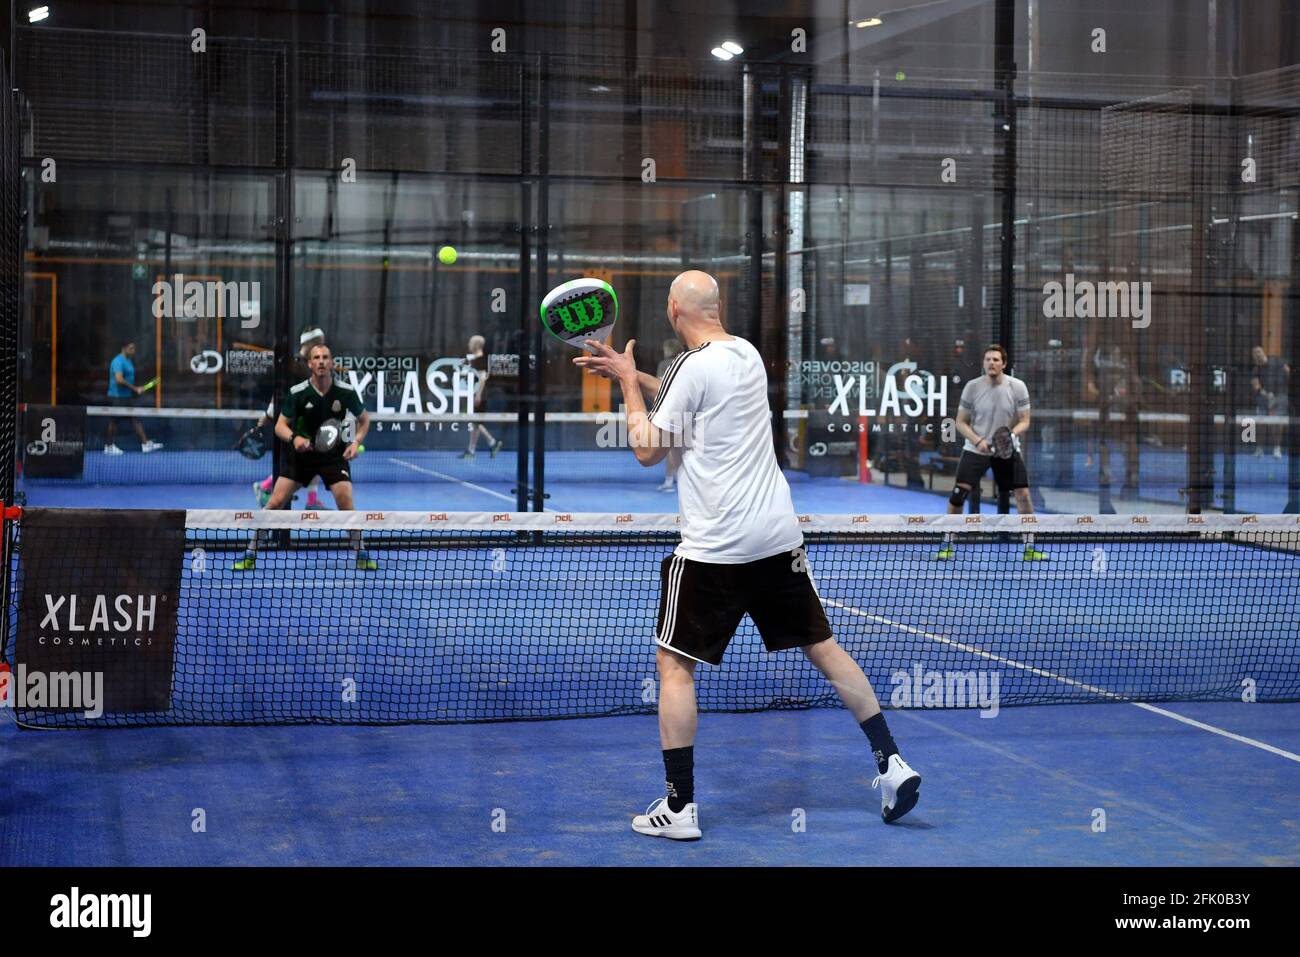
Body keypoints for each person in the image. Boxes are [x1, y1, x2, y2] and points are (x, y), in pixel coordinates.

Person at [575, 270, 921, 839]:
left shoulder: (690, 366)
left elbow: (645, 448)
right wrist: (626, 370)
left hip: (715, 550)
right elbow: (692, 402)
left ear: (672, 310)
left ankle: (680, 808)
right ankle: (891, 761)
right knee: (823, 647)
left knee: (674, 666)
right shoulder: (748, 356)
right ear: (715, 308)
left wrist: (628, 388)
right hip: (776, 538)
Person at [234, 343, 375, 571]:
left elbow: (365, 420)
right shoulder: (298, 392)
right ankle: (250, 553)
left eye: (325, 357)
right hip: (301, 455)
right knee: (275, 503)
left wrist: (356, 442)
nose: (321, 361)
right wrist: (294, 439)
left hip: (333, 455)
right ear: (310, 363)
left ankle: (362, 553)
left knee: (346, 503)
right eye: (316, 357)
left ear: (331, 363)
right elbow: (280, 425)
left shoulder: (345, 392)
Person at [939, 344, 1045, 560]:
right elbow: (960, 422)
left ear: (1004, 364)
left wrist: (1010, 436)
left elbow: (1025, 421)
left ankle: (1030, 548)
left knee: (1023, 496)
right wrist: (978, 441)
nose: (991, 363)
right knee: (958, 495)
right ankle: (947, 544)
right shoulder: (972, 387)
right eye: (988, 359)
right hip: (976, 449)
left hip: (1006, 450)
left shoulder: (1017, 387)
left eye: (996, 360)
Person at [255, 327, 329, 509]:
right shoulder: (293, 365)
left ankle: (311, 501)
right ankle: (265, 487)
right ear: (310, 343)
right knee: (297, 468)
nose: (322, 346)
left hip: (309, 424)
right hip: (293, 426)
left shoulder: (310, 364)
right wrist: (269, 413)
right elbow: (279, 392)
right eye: (320, 341)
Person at [104, 341, 162, 455]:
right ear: (123, 348)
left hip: (126, 397)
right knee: (114, 422)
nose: (133, 351)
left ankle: (145, 444)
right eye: (131, 348)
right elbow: (119, 379)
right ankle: (109, 446)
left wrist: (135, 390)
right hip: (117, 397)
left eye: (134, 348)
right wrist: (135, 388)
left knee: (135, 419)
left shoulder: (128, 360)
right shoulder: (117, 361)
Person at [461, 334, 505, 460]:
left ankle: (492, 442)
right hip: (478, 393)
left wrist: (478, 395)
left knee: (475, 421)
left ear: (476, 345)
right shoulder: (476, 359)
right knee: (475, 423)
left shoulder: (481, 360)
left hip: (481, 395)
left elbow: (483, 378)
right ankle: (472, 450)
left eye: (470, 343)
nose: (469, 345)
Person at [1250, 345, 1290, 459]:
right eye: (1255, 353)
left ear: (1263, 352)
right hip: (1264, 400)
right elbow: (1256, 386)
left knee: (1277, 424)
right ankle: (1259, 450)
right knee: (1260, 424)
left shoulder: (1275, 360)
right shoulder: (1256, 370)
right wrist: (1266, 394)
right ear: (1254, 358)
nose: (1258, 354)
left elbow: (1287, 370)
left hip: (1280, 397)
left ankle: (1277, 450)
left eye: (1259, 351)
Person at [654, 340, 683, 491]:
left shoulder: (664, 365)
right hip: (686, 409)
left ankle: (669, 481)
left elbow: (659, 388)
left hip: (670, 410)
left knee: (671, 448)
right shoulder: (686, 362)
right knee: (683, 446)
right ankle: (679, 478)